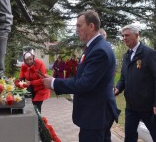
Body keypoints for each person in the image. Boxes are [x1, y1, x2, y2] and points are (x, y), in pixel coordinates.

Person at [42, 10, 120, 142]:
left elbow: (84, 83)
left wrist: (54, 83)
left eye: (79, 26)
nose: (76, 30)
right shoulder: (94, 47)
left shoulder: (99, 50)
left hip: (95, 115)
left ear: (91, 26)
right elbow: (81, 79)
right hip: (95, 114)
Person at [114, 24, 156, 142]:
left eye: (127, 35)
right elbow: (123, 77)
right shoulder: (126, 56)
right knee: (129, 136)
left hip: (147, 106)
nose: (124, 38)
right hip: (131, 106)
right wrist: (117, 88)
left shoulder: (149, 53)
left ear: (136, 35)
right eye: (122, 36)